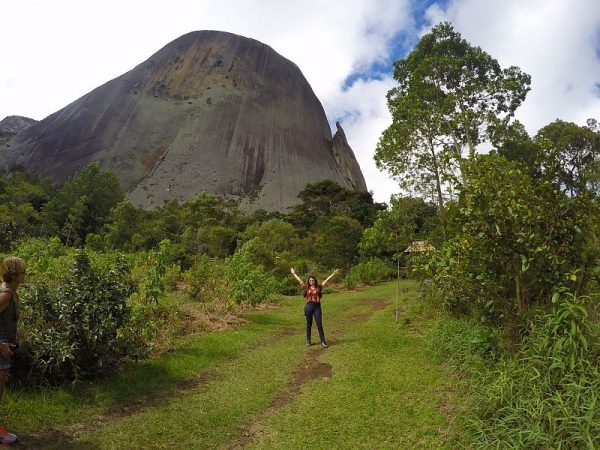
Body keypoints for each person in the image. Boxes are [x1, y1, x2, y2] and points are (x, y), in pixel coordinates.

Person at [0, 256, 26, 445]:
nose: (26, 274)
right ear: (15, 274)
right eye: (24, 271)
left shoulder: (12, 293)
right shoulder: (5, 294)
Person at [290, 268, 340, 348]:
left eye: (312, 280)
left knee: (319, 324)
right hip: (308, 307)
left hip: (317, 307)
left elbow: (326, 280)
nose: (311, 281)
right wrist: (293, 273)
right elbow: (300, 280)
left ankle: (323, 341)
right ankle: (308, 340)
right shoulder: (306, 287)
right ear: (308, 282)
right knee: (309, 324)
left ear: (315, 281)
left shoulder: (319, 287)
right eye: (310, 280)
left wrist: (333, 274)